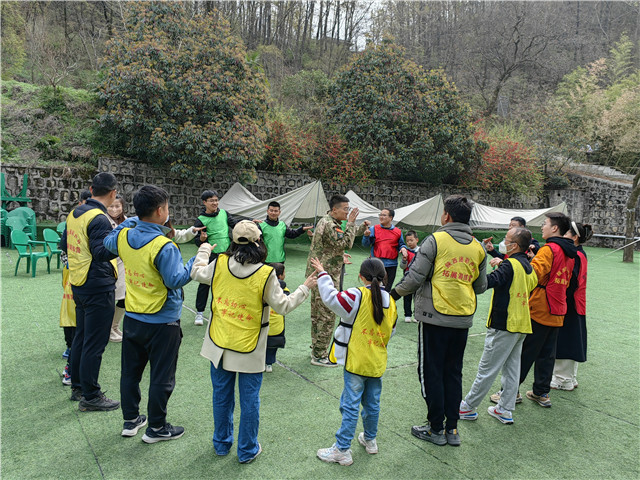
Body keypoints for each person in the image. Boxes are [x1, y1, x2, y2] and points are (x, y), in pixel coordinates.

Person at [191, 220, 316, 464]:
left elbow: (196, 273)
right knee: (249, 401)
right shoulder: (266, 272)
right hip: (250, 348)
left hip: (219, 343)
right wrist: (304, 288)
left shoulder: (220, 263)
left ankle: (221, 444)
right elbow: (283, 305)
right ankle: (247, 450)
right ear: (259, 241)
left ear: (233, 241)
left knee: (221, 396)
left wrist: (205, 249)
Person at [390, 194, 487, 447]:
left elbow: (413, 278)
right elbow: (480, 286)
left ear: (446, 215)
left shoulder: (435, 240)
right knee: (453, 373)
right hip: (463, 318)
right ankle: (452, 430)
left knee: (430, 372)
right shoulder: (478, 247)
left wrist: (392, 295)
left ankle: (435, 428)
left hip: (435, 319)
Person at [104, 185, 195, 443]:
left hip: (133, 317)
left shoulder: (124, 237)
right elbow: (175, 279)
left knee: (130, 373)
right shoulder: (164, 246)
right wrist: (196, 261)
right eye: (166, 207)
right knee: (161, 377)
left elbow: (108, 242)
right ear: (159, 211)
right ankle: (156, 427)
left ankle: (131, 420)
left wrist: (130, 222)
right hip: (163, 321)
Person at [311, 257, 397, 466]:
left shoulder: (355, 294)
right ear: (384, 276)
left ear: (361, 276)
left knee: (350, 406)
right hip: (377, 362)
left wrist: (323, 274)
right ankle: (370, 440)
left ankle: (342, 449)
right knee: (372, 404)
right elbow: (390, 332)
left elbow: (331, 299)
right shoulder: (391, 302)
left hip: (356, 361)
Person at [492, 212, 577, 408]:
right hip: (558, 308)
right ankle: (541, 393)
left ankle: (511, 393)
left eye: (545, 224)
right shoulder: (571, 252)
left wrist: (508, 266)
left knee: (524, 353)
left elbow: (532, 276)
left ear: (555, 228)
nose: (543, 227)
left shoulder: (549, 250)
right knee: (547, 354)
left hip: (540, 307)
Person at [459, 227, 538, 425]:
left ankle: (468, 406)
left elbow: (486, 283)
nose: (503, 241)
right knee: (512, 369)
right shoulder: (528, 266)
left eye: (507, 239)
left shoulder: (509, 265)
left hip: (504, 324)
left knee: (487, 368)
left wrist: (477, 265)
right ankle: (504, 409)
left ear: (515, 245)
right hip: (521, 324)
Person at [60, 172, 120, 411]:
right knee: (94, 343)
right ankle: (91, 396)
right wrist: (121, 240)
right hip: (97, 285)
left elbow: (65, 244)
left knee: (82, 338)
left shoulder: (75, 212)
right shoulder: (99, 218)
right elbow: (101, 252)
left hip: (79, 282)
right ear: (113, 193)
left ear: (91, 189)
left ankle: (78, 387)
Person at [305, 195, 370, 367]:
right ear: (335, 210)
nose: (348, 212)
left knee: (317, 314)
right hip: (324, 275)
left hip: (321, 273)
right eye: (345, 209)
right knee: (326, 314)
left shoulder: (329, 222)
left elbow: (337, 244)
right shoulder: (329, 224)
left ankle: (317, 348)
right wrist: (351, 222)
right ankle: (319, 355)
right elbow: (345, 243)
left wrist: (358, 227)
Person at [552, 222, 593, 391]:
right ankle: (570, 377)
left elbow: (570, 281)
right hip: (576, 303)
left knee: (567, 339)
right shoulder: (578, 253)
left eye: (567, 232)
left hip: (571, 302)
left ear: (575, 237)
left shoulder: (574, 255)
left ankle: (563, 379)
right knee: (572, 338)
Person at [193, 190, 240, 326]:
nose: (215, 203)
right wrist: (201, 240)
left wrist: (248, 223)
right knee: (205, 283)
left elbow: (235, 225)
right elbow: (197, 241)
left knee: (226, 282)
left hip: (226, 254)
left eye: (216, 200)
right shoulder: (201, 220)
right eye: (211, 201)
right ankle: (199, 313)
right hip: (210, 255)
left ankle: (222, 311)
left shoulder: (224, 214)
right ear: (204, 203)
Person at [59, 190, 92, 386]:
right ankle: (71, 360)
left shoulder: (96, 220)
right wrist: (72, 265)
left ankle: (74, 361)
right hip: (74, 278)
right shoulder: (73, 220)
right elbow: (64, 248)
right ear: (80, 203)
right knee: (72, 319)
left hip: (84, 280)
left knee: (80, 324)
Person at [362, 208, 407, 292]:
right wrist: (366, 236)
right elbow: (365, 245)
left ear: (391, 218)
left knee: (387, 289)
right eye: (380, 215)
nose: (381, 217)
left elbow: (401, 244)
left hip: (391, 265)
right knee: (373, 289)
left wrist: (403, 248)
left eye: (384, 215)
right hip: (376, 263)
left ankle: (385, 305)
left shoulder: (398, 231)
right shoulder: (373, 229)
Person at [107, 195, 127, 342]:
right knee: (111, 297)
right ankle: (108, 329)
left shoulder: (127, 221)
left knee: (124, 296)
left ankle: (114, 326)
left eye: (117, 206)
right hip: (109, 263)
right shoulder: (103, 221)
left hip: (125, 263)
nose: (114, 209)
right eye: (111, 206)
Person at [265, 262, 289, 372]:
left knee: (262, 343)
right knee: (272, 346)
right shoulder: (284, 289)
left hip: (264, 322)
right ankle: (269, 363)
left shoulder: (264, 286)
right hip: (277, 325)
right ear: (280, 276)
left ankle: (260, 362)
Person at [399, 230, 419, 323]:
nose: (409, 243)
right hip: (407, 277)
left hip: (418, 278)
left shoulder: (421, 251)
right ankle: (407, 314)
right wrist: (404, 260)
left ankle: (417, 315)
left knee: (418, 297)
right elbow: (402, 266)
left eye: (411, 240)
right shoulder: (405, 252)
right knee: (407, 296)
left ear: (417, 240)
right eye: (407, 241)